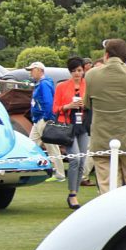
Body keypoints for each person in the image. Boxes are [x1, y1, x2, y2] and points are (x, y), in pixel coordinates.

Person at [83, 38, 126, 194]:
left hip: (102, 138)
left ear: (106, 55)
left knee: (108, 187)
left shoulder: (91, 75)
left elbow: (87, 103)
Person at [53, 57, 90, 211]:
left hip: (83, 125)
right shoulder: (62, 86)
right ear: (70, 72)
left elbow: (92, 103)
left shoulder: (88, 85)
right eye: (74, 71)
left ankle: (75, 192)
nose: (77, 73)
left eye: (79, 70)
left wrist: (84, 104)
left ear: (83, 70)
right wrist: (68, 105)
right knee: (74, 158)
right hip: (67, 125)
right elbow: (55, 109)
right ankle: (72, 193)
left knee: (82, 160)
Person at [26, 61, 67, 182]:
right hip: (38, 120)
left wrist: (47, 118)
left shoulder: (44, 84)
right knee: (31, 145)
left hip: (43, 120)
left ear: (39, 70)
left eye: (32, 70)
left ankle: (59, 174)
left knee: (52, 147)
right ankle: (29, 169)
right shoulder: (41, 83)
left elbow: (49, 102)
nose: (31, 73)